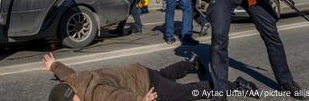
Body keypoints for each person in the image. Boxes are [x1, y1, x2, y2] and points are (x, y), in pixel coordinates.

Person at [44, 52, 259, 101]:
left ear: (72, 94)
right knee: (164, 74)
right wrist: (54, 64)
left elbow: (117, 98)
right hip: (136, 71)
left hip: (146, 85)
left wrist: (141, 99)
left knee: (187, 93)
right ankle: (190, 62)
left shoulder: (94, 93)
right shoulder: (75, 80)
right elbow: (66, 73)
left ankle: (236, 85)